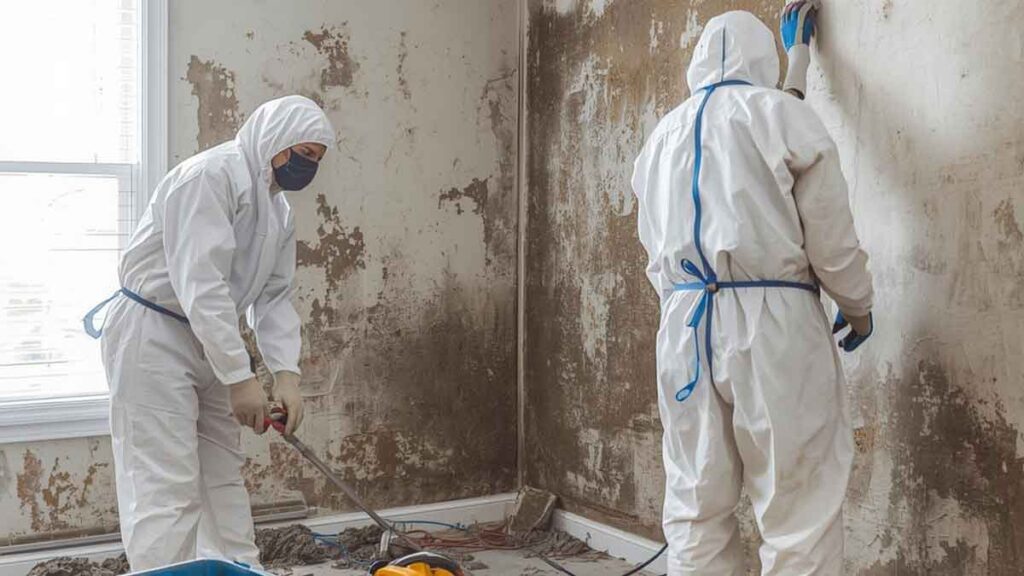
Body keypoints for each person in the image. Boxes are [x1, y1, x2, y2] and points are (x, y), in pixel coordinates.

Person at [631, 4, 874, 574]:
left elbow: (654, 254)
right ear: (762, 58)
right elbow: (832, 242)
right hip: (774, 325)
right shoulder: (780, 117)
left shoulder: (661, 138)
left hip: (684, 325)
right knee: (798, 505)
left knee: (695, 503)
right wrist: (858, 308)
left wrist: (799, 67)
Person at [84, 95, 335, 570]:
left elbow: (275, 297)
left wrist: (285, 373)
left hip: (211, 339)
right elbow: (201, 284)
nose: (307, 168)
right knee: (165, 482)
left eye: (316, 161)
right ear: (275, 141)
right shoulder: (209, 177)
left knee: (222, 474)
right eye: (302, 154)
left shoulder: (278, 212)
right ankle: (166, 573)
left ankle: (240, 569)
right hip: (153, 333)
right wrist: (240, 378)